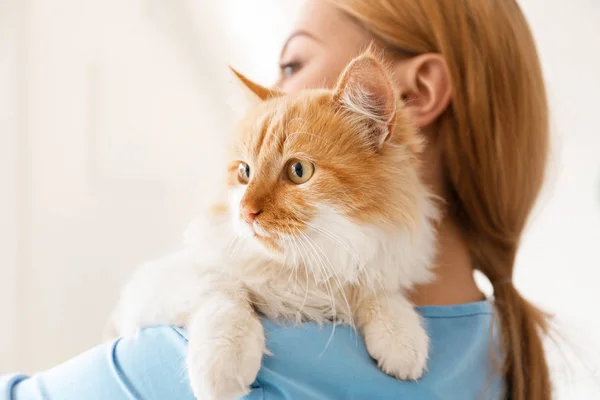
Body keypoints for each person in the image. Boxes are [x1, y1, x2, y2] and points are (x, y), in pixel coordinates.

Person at [1, 1, 551, 399]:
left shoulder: (230, 363)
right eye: (244, 173)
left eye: (291, 66)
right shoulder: (503, 352)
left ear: (408, 96)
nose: (273, 95)